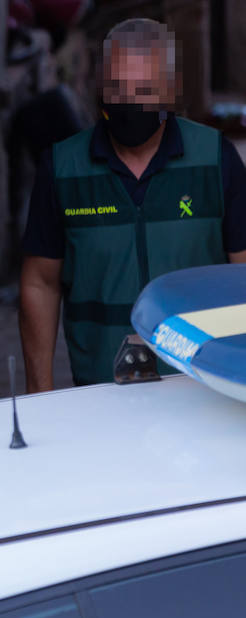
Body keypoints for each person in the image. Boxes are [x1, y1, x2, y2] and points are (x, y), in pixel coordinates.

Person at [20, 18, 246, 390]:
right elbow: (40, 284)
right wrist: (39, 397)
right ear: (99, 85)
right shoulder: (63, 168)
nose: (129, 103)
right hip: (99, 392)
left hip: (200, 390)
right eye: (117, 88)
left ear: (171, 92)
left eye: (144, 89)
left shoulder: (215, 161)